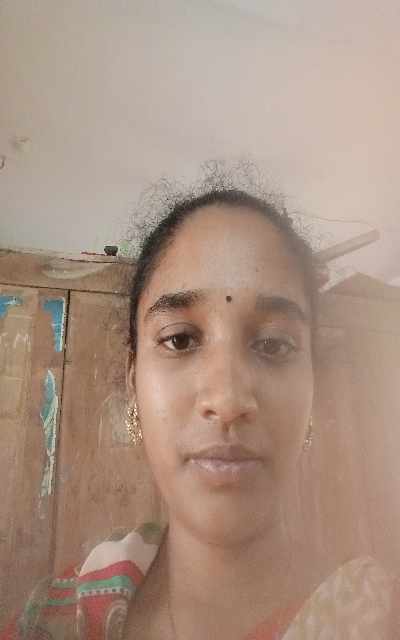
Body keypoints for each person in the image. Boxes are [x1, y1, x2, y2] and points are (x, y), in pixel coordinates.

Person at [1, 186, 398, 639]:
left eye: (274, 344)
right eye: (180, 339)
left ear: (313, 388)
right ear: (133, 384)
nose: (227, 401)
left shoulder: (378, 619)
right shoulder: (55, 618)